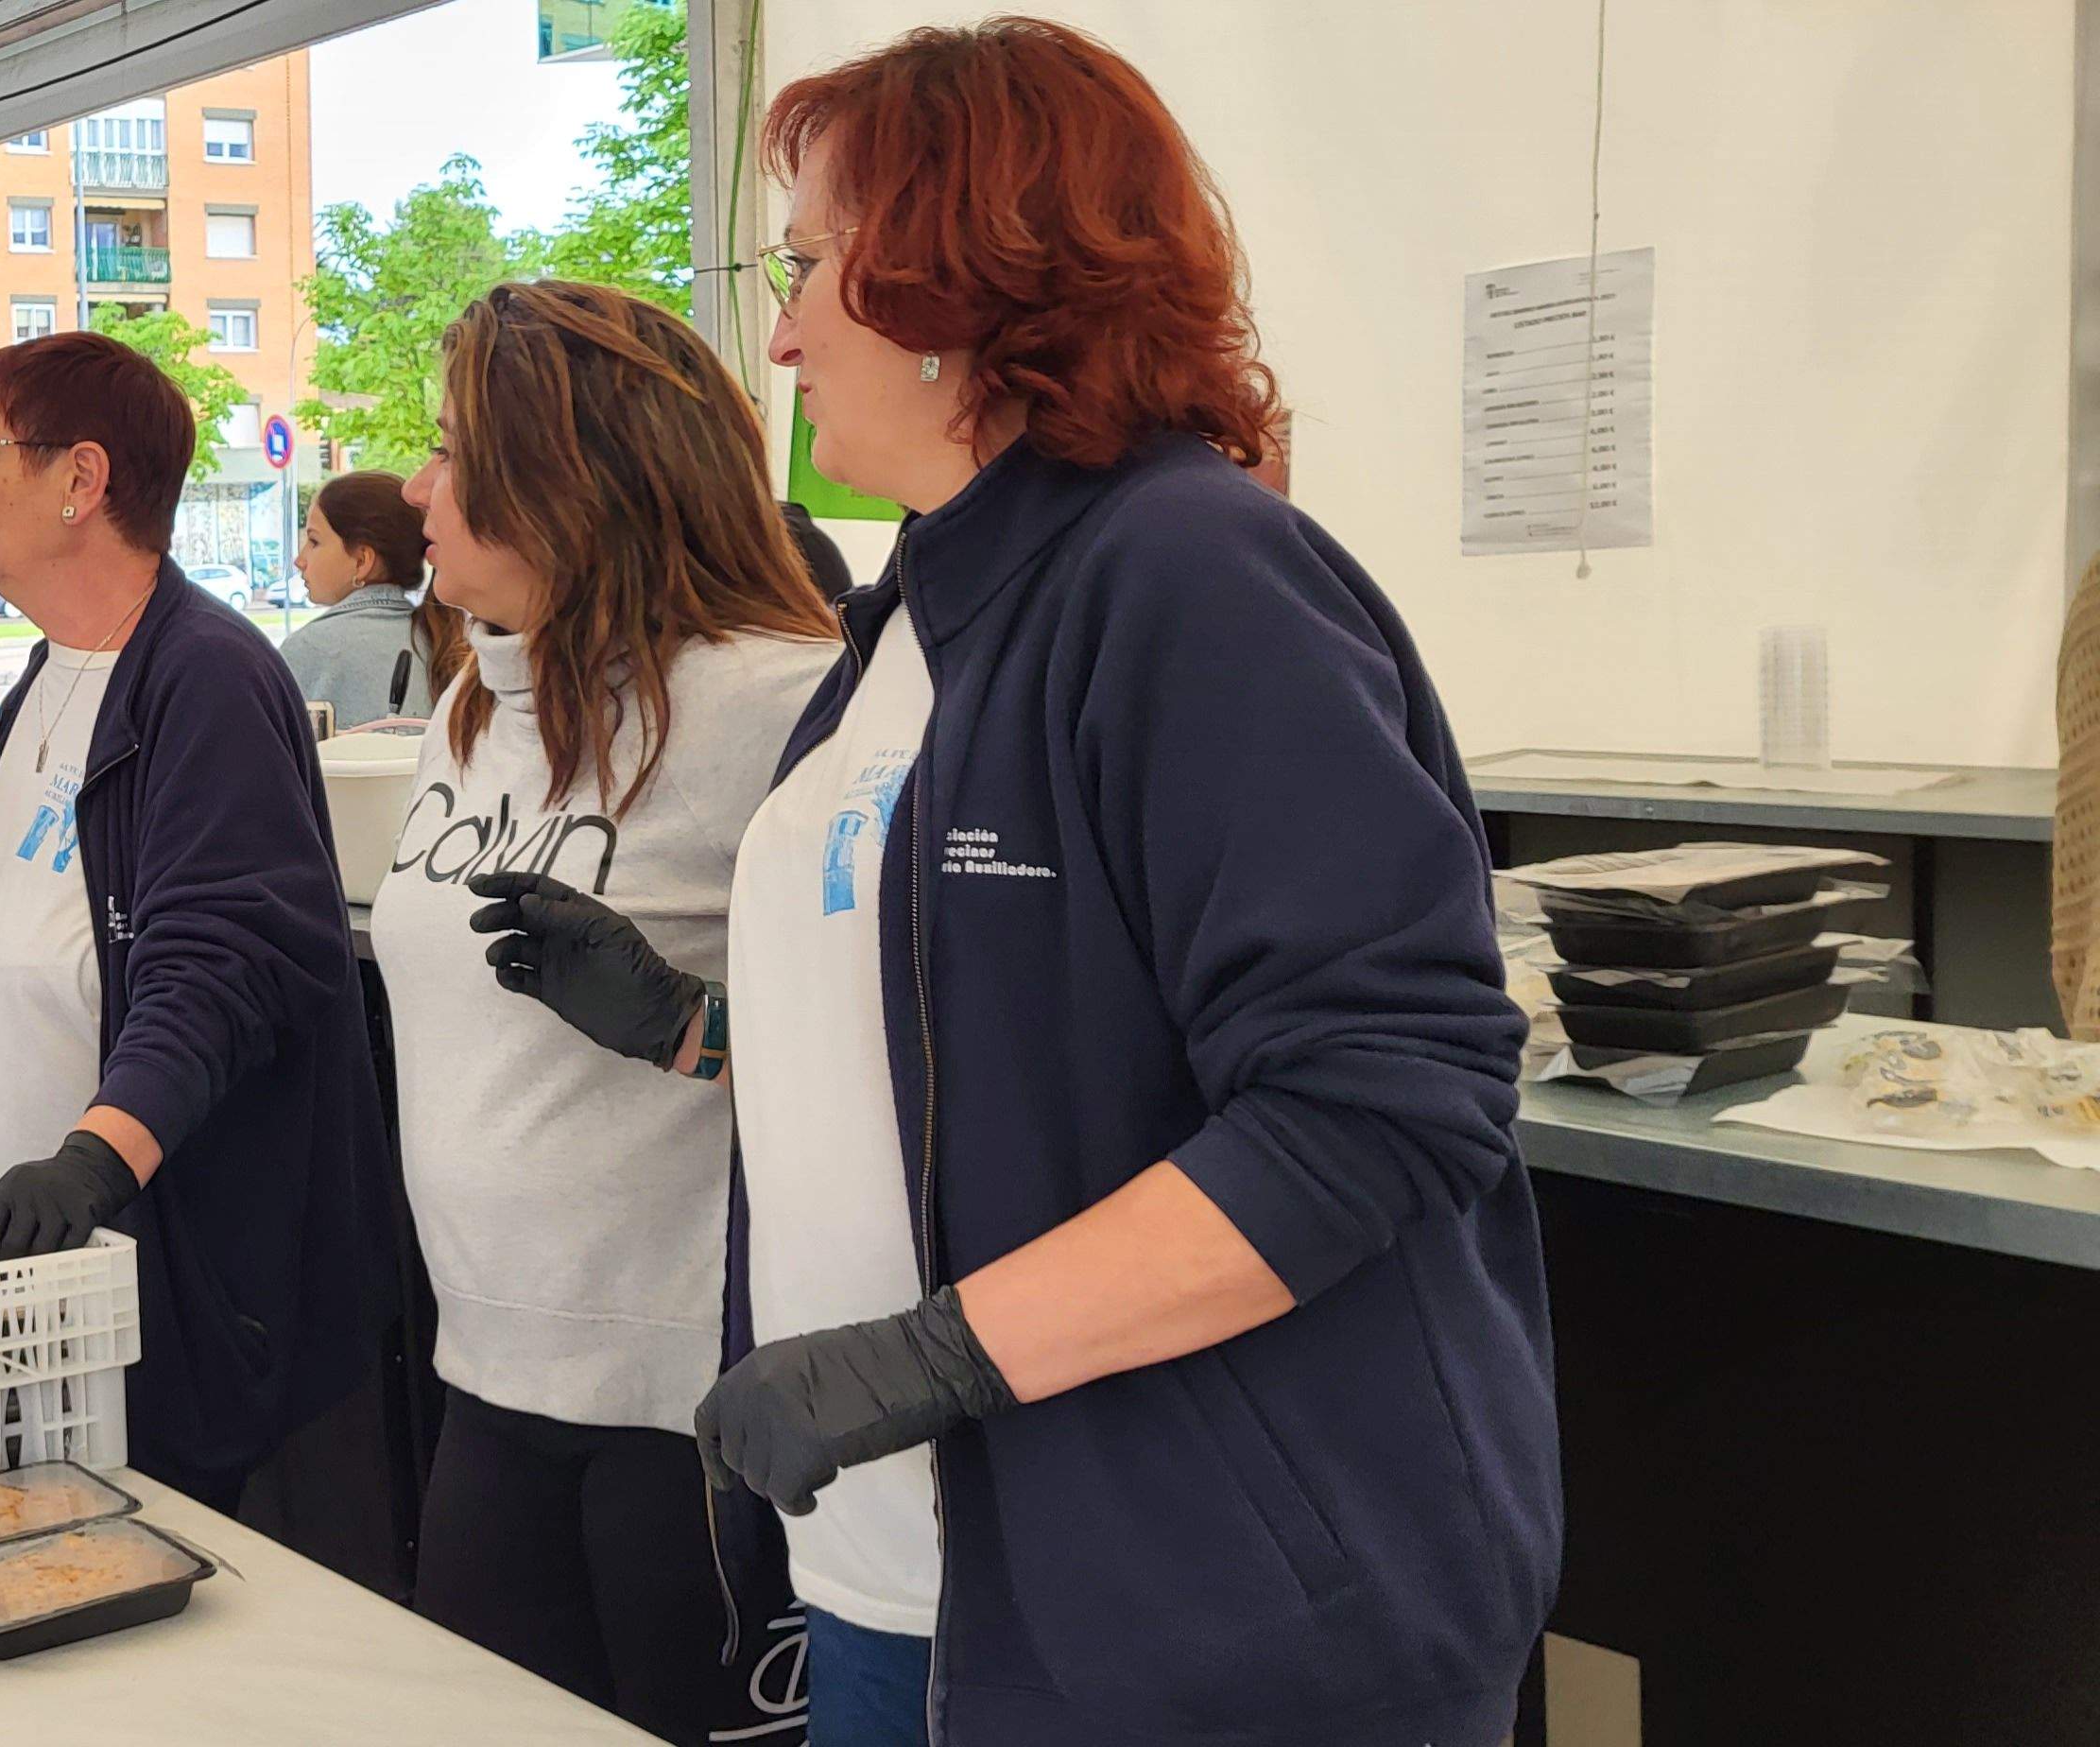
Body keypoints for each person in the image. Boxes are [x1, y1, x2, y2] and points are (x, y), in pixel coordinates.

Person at [478, 22, 1554, 1744]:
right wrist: (697, 1027)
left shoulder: (1191, 574)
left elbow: (1384, 1099)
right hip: (908, 1573)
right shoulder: (907, 625)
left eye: (819, 262)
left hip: (1201, 1617)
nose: (783, 325)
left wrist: (928, 1356)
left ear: (968, 271)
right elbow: (988, 1024)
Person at [373, 282, 842, 1745]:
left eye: (454, 451)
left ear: (571, 481)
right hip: (484, 1375)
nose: (416, 485)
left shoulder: (785, 706)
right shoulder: (472, 705)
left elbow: (911, 1055)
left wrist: (689, 1024)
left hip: (689, 1408)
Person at [0, 330, 395, 1511]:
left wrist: (94, 1161)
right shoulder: (46, 677)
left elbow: (225, 960)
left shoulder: (207, 678)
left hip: (158, 1290)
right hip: (35, 1295)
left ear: (81, 480)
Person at [274, 470, 456, 729]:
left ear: (362, 561)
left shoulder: (307, 649)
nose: (300, 560)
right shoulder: (444, 642)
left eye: (314, 541)